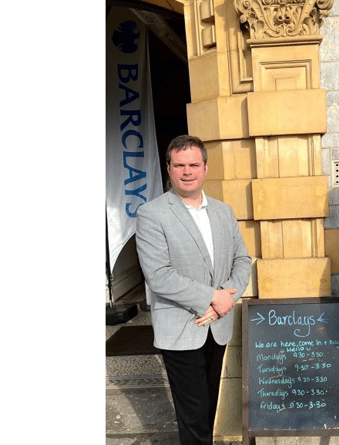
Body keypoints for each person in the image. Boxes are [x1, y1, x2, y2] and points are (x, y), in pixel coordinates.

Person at [136, 135, 252, 445]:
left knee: (207, 412)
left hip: (217, 326)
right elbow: (159, 275)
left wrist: (225, 299)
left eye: (193, 165)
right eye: (179, 165)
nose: (187, 171)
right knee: (194, 418)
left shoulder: (223, 212)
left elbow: (243, 260)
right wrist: (211, 297)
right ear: (169, 169)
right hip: (181, 328)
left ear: (205, 168)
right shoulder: (152, 214)